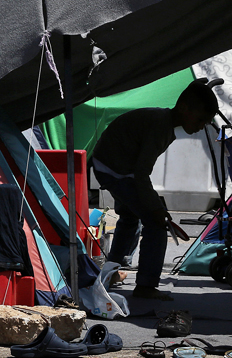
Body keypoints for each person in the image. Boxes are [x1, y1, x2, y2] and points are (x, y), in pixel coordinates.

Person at [92, 78, 220, 302]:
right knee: (156, 224)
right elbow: (141, 175)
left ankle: (109, 274)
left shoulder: (163, 121)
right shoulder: (160, 126)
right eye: (201, 119)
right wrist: (157, 209)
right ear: (184, 108)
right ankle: (145, 285)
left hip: (112, 165)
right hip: (115, 170)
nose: (202, 126)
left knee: (131, 217)